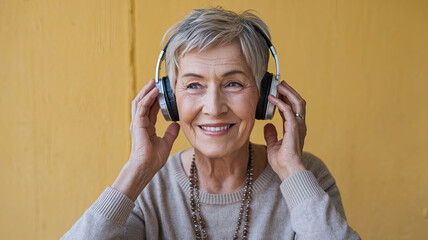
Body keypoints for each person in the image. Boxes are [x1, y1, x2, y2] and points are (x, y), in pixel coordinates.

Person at [62, 7, 361, 239]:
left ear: (264, 95)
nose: (214, 108)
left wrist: (293, 172)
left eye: (233, 83)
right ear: (168, 100)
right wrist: (136, 170)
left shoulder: (307, 178)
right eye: (193, 86)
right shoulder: (149, 188)